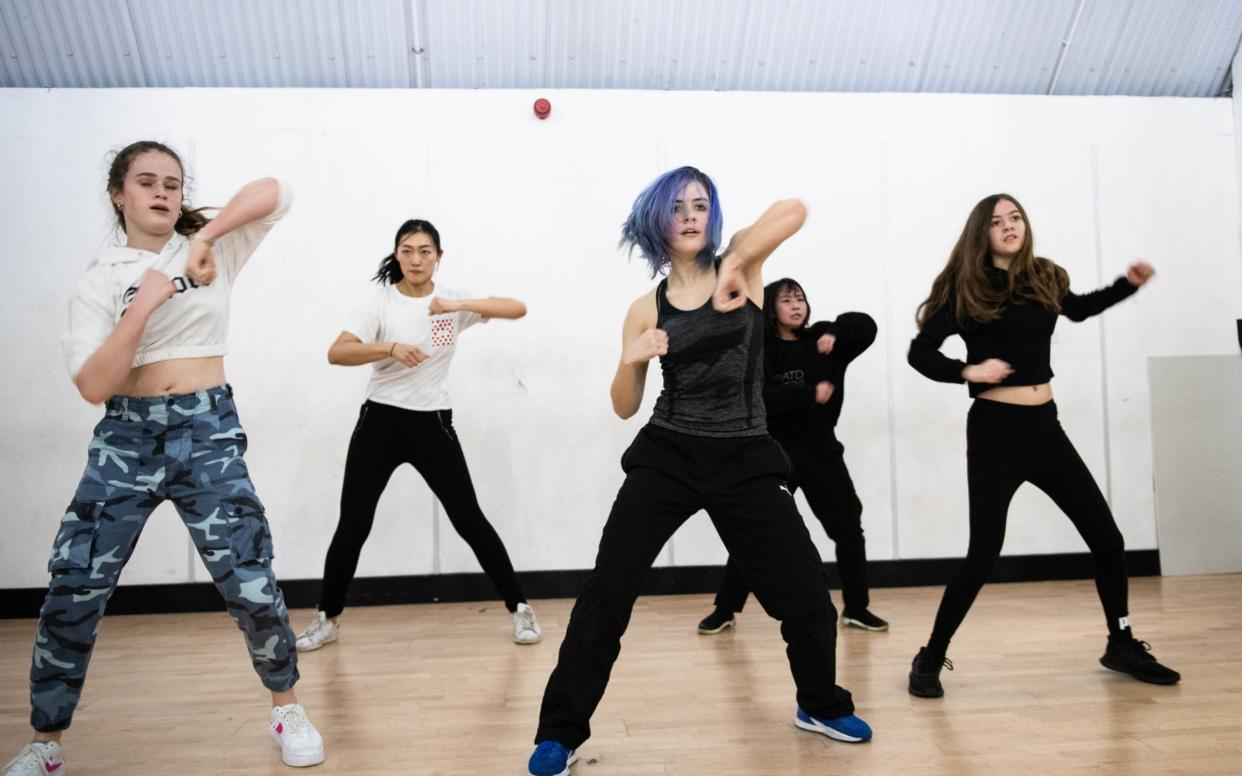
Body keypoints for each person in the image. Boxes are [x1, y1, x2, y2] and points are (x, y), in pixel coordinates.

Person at [527, 167, 870, 776]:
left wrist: (739, 260)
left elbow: (793, 208)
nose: (690, 215)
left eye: (701, 205)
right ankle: (560, 731)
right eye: (678, 206)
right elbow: (624, 405)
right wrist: (631, 359)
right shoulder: (644, 307)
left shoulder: (743, 267)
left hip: (745, 453)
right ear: (658, 219)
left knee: (808, 599)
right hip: (670, 452)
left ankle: (819, 704)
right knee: (607, 593)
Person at [3, 141, 323, 776]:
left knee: (249, 576)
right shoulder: (100, 277)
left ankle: (286, 707)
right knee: (75, 585)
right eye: (145, 182)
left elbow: (277, 189)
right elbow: (94, 385)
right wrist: (145, 301)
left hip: (208, 429)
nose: (161, 193)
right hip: (126, 438)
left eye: (172, 184)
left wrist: (206, 237)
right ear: (118, 194)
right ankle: (46, 742)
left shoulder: (210, 243)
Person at [905, 192, 1179, 698]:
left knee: (1107, 537)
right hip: (994, 431)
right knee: (984, 553)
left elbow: (1077, 310)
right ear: (980, 233)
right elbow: (919, 353)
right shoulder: (966, 288)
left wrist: (1127, 285)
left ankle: (1120, 642)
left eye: (1016, 218)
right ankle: (930, 653)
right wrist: (968, 370)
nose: (1009, 226)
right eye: (997, 222)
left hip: (1045, 429)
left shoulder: (1045, 276)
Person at [294, 219, 541, 652]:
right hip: (381, 422)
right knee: (354, 522)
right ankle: (326, 618)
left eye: (425, 251)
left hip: (432, 423)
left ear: (438, 257)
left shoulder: (452, 303)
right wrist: (389, 348)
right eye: (407, 250)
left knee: (469, 519)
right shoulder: (378, 302)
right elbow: (337, 352)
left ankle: (520, 607)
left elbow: (517, 308)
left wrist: (451, 303)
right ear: (396, 255)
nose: (415, 259)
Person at [697, 278, 888, 635]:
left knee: (848, 526)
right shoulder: (760, 348)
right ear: (772, 308)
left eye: (801, 298)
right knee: (756, 532)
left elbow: (866, 327)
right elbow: (758, 398)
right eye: (787, 300)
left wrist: (834, 328)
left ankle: (857, 608)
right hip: (774, 450)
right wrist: (807, 394)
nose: (797, 306)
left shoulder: (823, 343)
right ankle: (724, 609)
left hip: (820, 449)